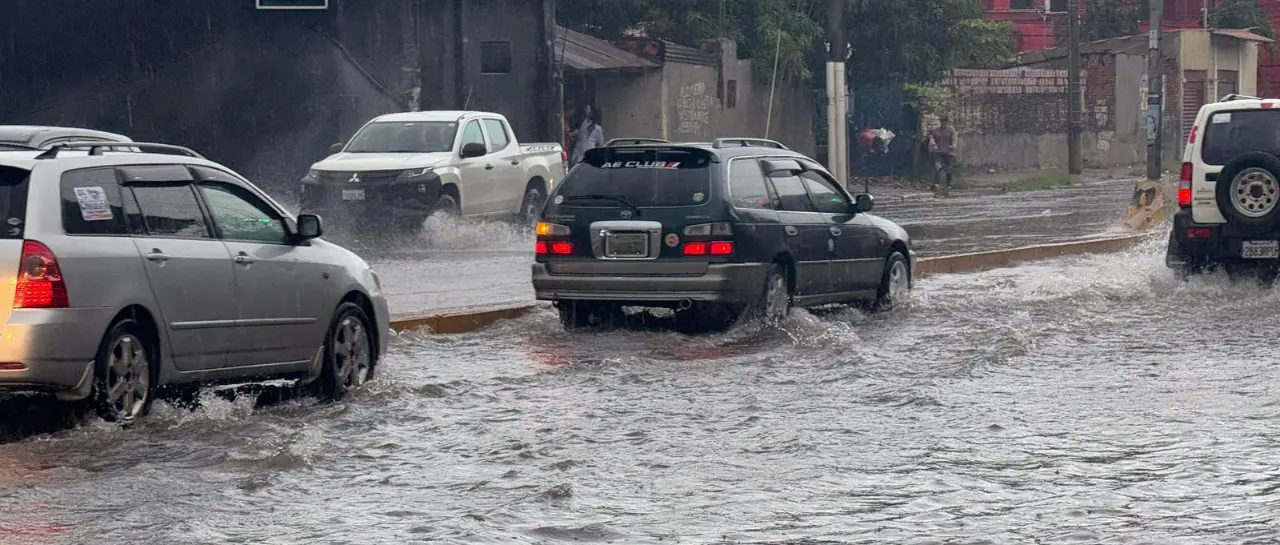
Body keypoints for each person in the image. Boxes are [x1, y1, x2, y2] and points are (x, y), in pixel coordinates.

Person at [929, 116, 958, 192]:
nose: (943, 123)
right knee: (937, 166)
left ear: (947, 122)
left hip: (948, 152)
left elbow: (954, 138)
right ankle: (936, 184)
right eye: (942, 121)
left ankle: (948, 184)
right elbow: (932, 137)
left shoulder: (951, 130)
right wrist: (933, 143)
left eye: (944, 121)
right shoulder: (937, 130)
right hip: (938, 152)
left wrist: (954, 144)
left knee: (948, 169)